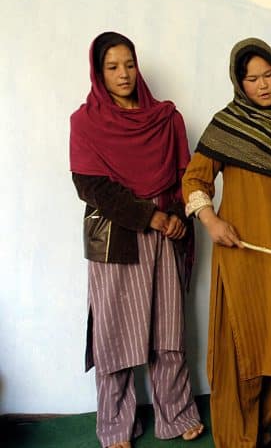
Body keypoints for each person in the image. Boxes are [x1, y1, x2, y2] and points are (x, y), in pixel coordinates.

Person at [182, 37, 271, 448]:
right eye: (252, 78)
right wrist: (211, 221)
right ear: (238, 82)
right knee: (242, 349)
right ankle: (236, 439)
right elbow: (194, 179)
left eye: (269, 75)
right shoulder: (227, 125)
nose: (263, 85)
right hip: (242, 251)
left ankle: (258, 432)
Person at [69, 32, 204, 448]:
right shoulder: (86, 122)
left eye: (129, 64)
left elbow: (185, 175)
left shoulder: (166, 118)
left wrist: (178, 217)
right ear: (99, 72)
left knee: (168, 330)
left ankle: (176, 413)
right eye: (112, 67)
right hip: (117, 239)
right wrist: (152, 217)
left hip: (167, 236)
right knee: (115, 334)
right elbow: (92, 187)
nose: (123, 74)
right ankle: (116, 427)